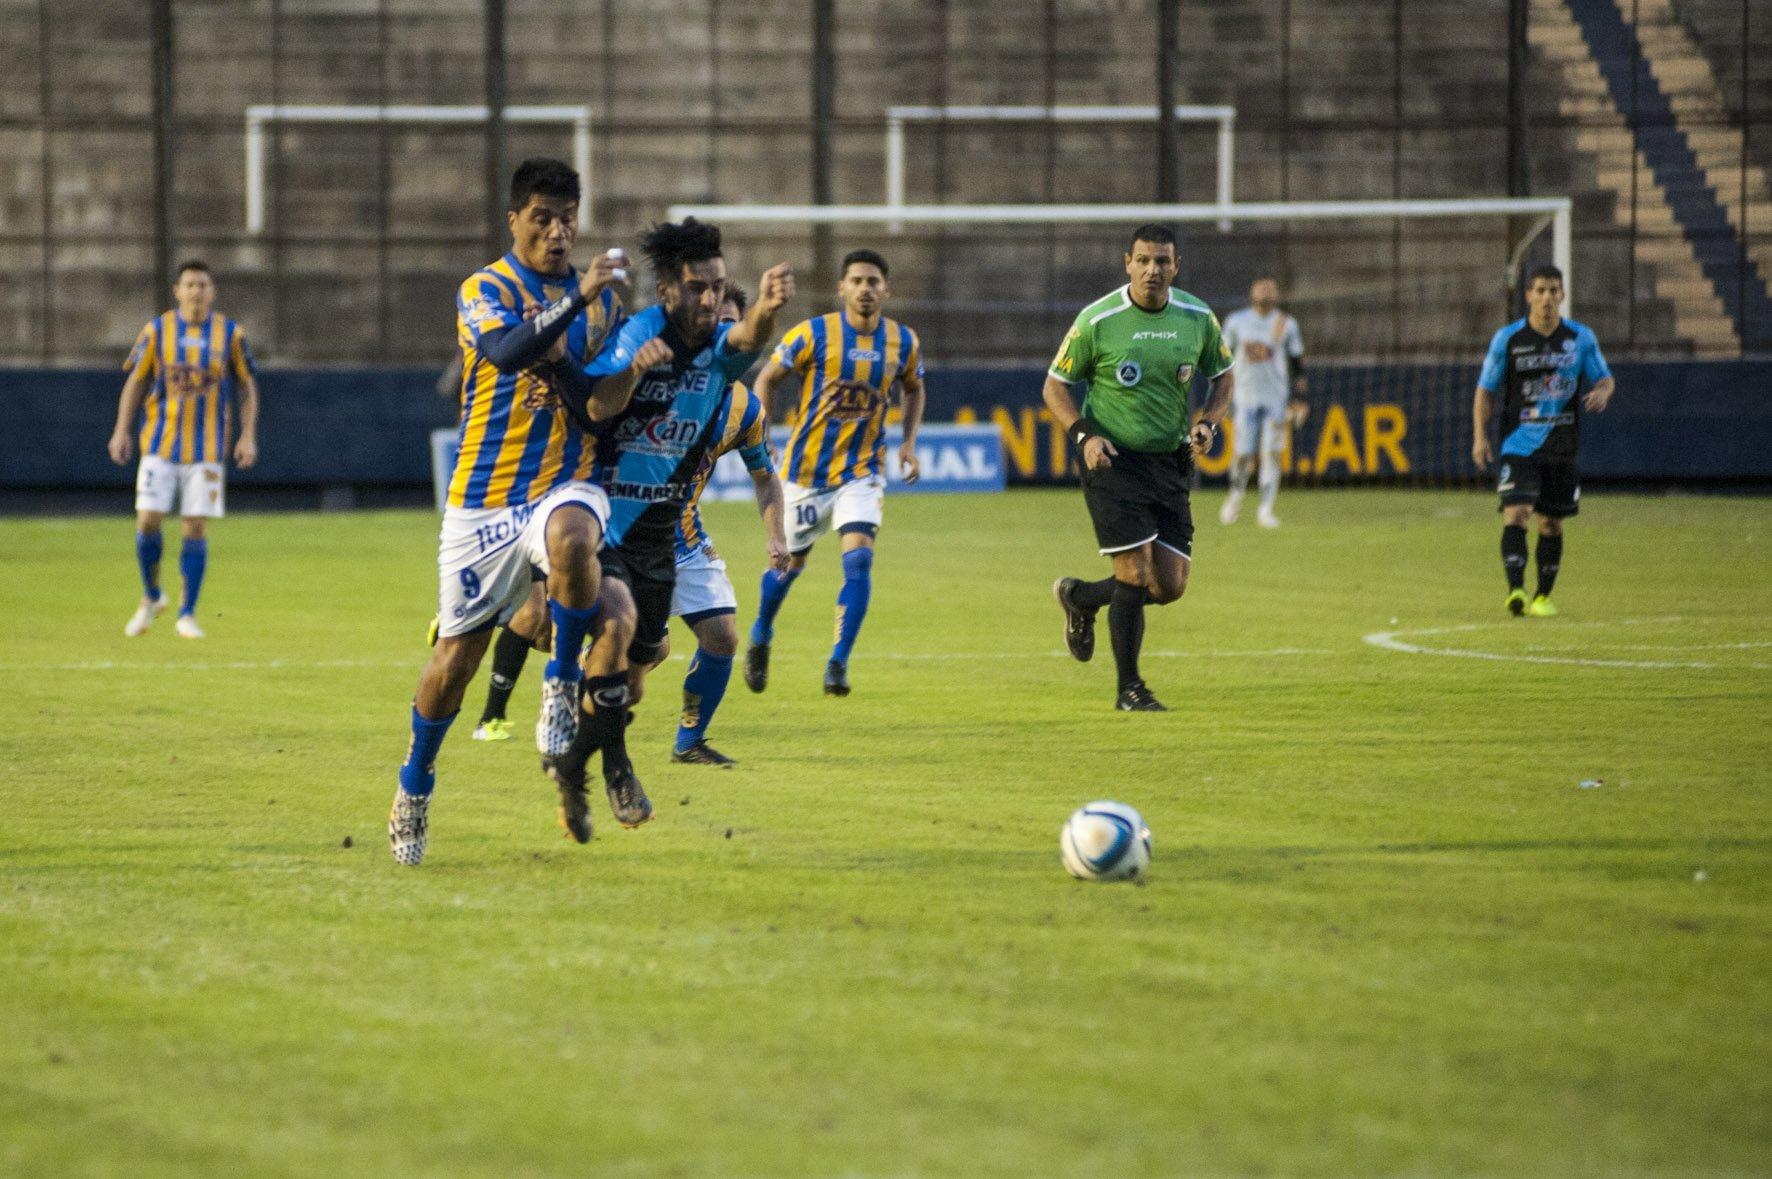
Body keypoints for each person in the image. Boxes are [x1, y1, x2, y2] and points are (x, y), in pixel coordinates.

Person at [388, 157, 636, 866]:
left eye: (568, 219)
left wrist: (632, 371)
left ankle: (558, 687)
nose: (558, 234)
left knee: (573, 535)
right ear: (514, 220)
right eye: (543, 219)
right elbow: (502, 352)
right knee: (453, 663)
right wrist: (577, 298)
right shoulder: (484, 288)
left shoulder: (607, 307)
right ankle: (415, 784)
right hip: (484, 499)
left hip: (564, 482)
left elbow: (593, 408)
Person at [542, 218, 793, 834]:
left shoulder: (722, 351)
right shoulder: (639, 333)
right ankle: (614, 766)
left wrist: (764, 307)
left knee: (630, 682)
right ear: (668, 292)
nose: (709, 299)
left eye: (719, 287)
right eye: (698, 288)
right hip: (607, 524)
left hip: (662, 535)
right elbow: (598, 406)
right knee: (617, 629)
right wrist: (632, 372)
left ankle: (576, 762)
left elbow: (750, 335)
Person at [1044, 224, 1235, 712]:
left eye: (1163, 261)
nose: (1154, 270)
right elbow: (1055, 388)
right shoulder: (1098, 320)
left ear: (1177, 266)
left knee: (1168, 585)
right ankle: (1130, 690)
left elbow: (1224, 375)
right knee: (1133, 573)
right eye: (1144, 260)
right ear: (1127, 261)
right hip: (1112, 460)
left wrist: (1209, 422)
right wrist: (1084, 435)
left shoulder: (1197, 317)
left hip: (1170, 461)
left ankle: (1082, 598)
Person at [741, 248, 925, 697]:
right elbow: (766, 378)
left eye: (873, 281)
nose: (865, 288)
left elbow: (914, 388)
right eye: (857, 281)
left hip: (861, 473)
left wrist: (907, 442)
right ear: (842, 288)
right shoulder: (813, 334)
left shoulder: (903, 341)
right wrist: (760, 429)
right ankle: (762, 633)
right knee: (788, 566)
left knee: (859, 559)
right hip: (805, 474)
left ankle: (838, 663)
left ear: (886, 289)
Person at [663, 285, 790, 765]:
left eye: (732, 324)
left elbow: (765, 478)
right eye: (715, 323)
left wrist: (775, 534)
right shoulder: (662, 380)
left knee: (722, 635)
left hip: (687, 537)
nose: (724, 333)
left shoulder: (745, 408)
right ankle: (574, 700)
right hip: (631, 537)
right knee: (646, 654)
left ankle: (689, 742)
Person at [107, 261, 260, 639]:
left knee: (195, 525)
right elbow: (136, 381)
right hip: (159, 444)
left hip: (207, 450)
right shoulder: (158, 331)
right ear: (177, 290)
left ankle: (186, 613)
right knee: (147, 519)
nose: (196, 291)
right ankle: (152, 595)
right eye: (190, 284)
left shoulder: (231, 334)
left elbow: (247, 386)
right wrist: (121, 430)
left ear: (212, 290)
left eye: (203, 284)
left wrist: (247, 435)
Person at [1472, 264, 1615, 617]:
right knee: (1516, 512)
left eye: (1554, 291)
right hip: (1518, 444)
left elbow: (1605, 379)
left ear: (1563, 295)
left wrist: (1603, 392)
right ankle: (1516, 591)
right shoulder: (1507, 340)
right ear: (1528, 297)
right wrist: (1479, 437)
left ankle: (1542, 595)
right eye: (1540, 291)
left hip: (1562, 444)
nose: (1548, 298)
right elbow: (1485, 392)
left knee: (1551, 522)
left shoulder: (1581, 338)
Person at [1218, 276, 1307, 528]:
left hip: (1275, 401)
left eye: (1272, 287)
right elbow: (1223, 361)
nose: (1267, 290)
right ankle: (1235, 496)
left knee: (1271, 454)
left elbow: (1297, 364)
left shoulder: (1286, 323)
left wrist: (1300, 398)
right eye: (1262, 287)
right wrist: (1224, 396)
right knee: (1243, 454)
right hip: (1244, 398)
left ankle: (1266, 509)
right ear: (1251, 292)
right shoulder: (1237, 322)